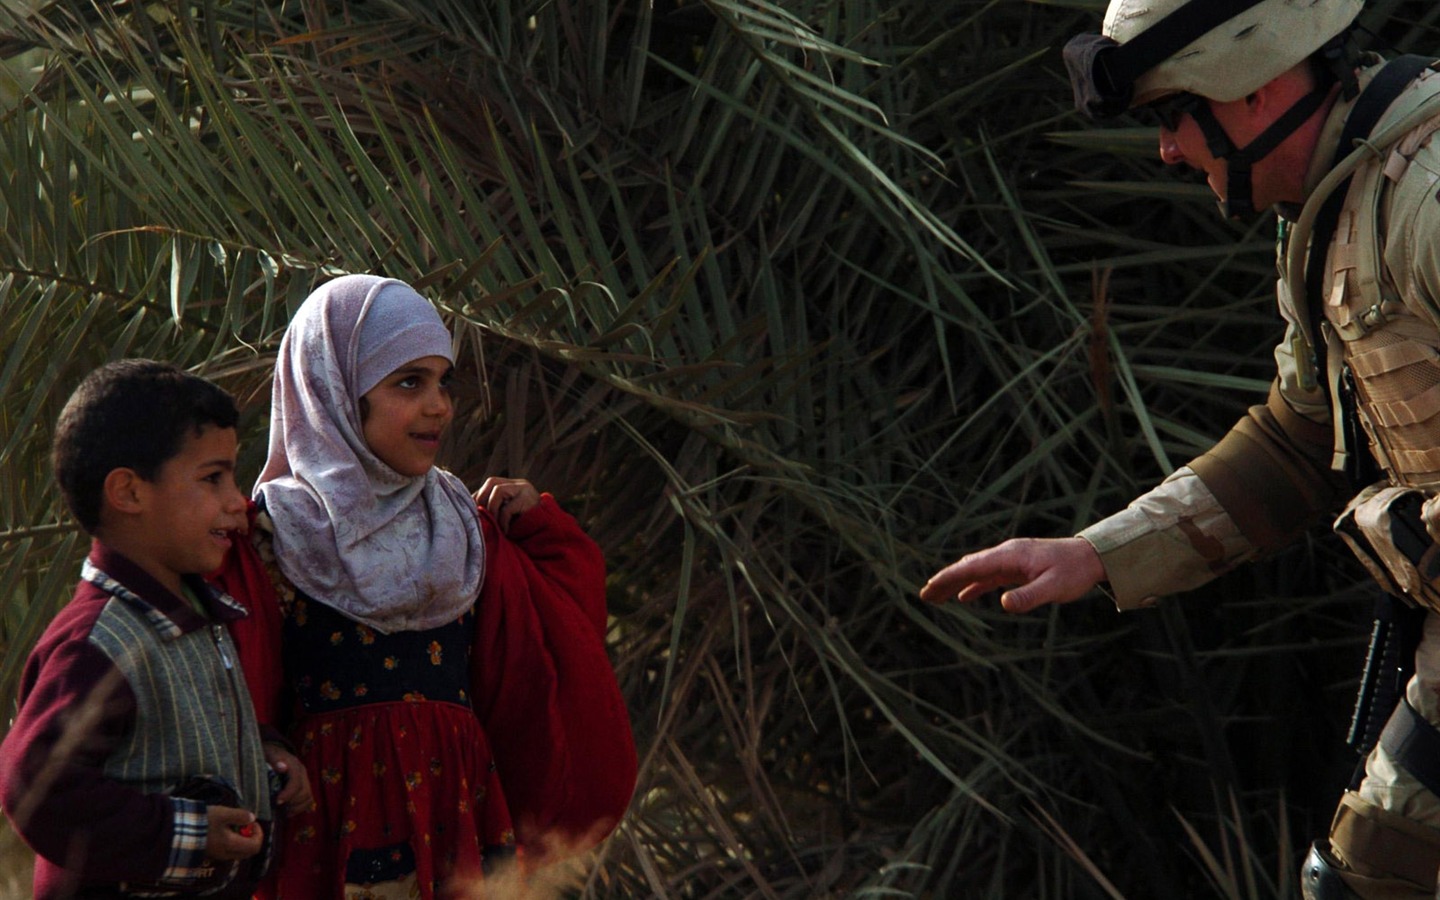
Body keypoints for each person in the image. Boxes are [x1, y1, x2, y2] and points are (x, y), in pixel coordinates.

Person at [920, 1, 1440, 897]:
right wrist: (1094, 554)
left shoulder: (1427, 194)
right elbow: (1297, 443)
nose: (1166, 151)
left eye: (1172, 114)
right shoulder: (1339, 201)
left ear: (1257, 87)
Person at [210, 274, 637, 899]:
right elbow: (229, 682)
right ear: (334, 388)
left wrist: (540, 530)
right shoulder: (274, 535)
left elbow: (559, 632)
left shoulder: (462, 526)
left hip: (458, 815)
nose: (439, 404)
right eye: (409, 382)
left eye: (444, 381)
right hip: (325, 827)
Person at [0, 359, 311, 899]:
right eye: (212, 478)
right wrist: (184, 834)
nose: (237, 501)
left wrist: (264, 754)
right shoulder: (98, 643)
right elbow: (36, 787)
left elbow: (183, 732)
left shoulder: (198, 614)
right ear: (129, 493)